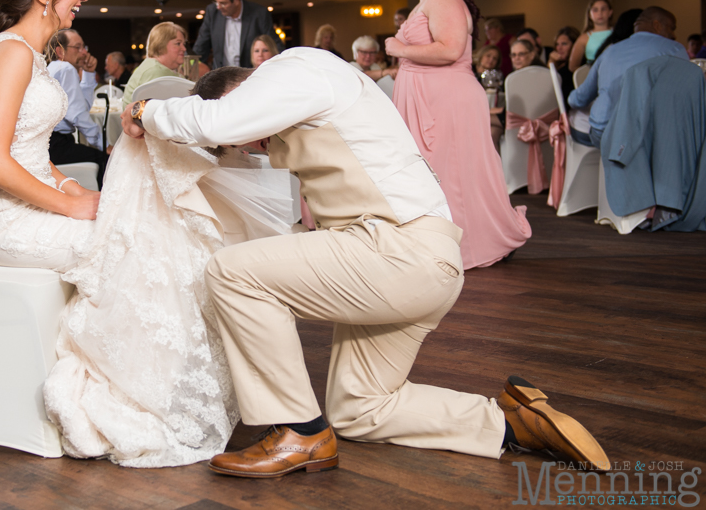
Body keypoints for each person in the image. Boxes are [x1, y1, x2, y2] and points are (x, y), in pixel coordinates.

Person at [121, 46, 609, 479]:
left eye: (248, 138)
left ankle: (299, 432)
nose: (255, 148)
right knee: (359, 408)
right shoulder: (309, 100)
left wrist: (144, 107)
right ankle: (514, 424)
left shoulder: (297, 69)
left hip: (400, 251)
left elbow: (216, 122)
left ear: (240, 89)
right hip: (414, 261)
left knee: (231, 272)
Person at [0, 0, 286, 468]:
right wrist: (71, 208)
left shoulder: (27, 55)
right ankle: (145, 399)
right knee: (139, 243)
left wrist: (72, 188)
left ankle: (172, 390)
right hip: (2, 223)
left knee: (153, 234)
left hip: (32, 209)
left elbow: (28, 154)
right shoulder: (13, 54)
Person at [386, 0, 530, 270]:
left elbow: (450, 50)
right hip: (433, 100)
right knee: (441, 173)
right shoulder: (429, 0)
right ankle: (440, 242)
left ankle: (467, 245)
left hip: (447, 101)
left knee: (452, 174)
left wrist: (398, 49)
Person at [567, 6, 687, 149]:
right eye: (672, 28)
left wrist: (570, 101)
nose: (674, 35)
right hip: (646, 136)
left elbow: (579, 98)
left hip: (604, 132)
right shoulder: (675, 49)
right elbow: (686, 96)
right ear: (656, 25)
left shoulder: (609, 51)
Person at [48, 29, 109, 186]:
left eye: (84, 47)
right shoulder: (65, 69)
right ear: (60, 51)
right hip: (56, 145)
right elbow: (78, 116)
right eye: (78, 47)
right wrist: (104, 145)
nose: (84, 53)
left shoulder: (55, 68)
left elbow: (81, 106)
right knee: (108, 161)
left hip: (49, 144)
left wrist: (88, 74)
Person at [192, 0, 280, 68]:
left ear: (236, 0)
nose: (218, 7)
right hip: (221, 75)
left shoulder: (258, 14)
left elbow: (273, 44)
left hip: (248, 73)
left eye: (223, 3)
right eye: (216, 2)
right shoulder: (212, 12)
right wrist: (190, 66)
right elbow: (201, 46)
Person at [121, 22, 187, 105]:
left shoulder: (158, 68)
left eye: (184, 44)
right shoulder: (154, 71)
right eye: (178, 43)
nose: (184, 48)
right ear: (160, 45)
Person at [568, 0, 613, 73]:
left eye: (603, 9)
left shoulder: (619, 33)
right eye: (595, 10)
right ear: (589, 14)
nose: (600, 13)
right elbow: (572, 66)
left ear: (610, 12)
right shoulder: (584, 38)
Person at [547, 26, 580, 100]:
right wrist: (551, 63)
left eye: (564, 44)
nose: (559, 48)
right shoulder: (558, 65)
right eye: (557, 44)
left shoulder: (576, 68)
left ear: (575, 45)